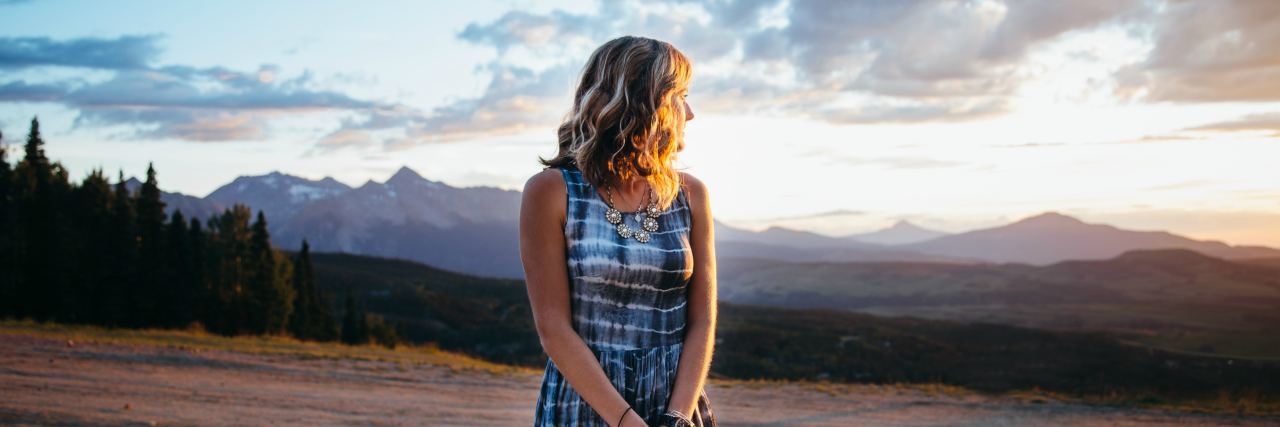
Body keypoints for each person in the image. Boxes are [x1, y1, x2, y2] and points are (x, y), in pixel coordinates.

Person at [519, 35, 718, 427]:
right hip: (584, 405)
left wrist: (678, 416)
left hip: (675, 403)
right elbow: (553, 327)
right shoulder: (552, 192)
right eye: (680, 96)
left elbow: (703, 319)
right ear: (641, 101)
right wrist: (626, 422)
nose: (690, 113)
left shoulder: (691, 194)